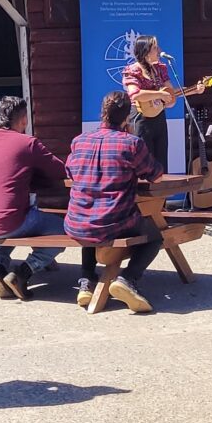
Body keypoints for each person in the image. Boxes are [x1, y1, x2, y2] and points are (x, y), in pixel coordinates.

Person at [65, 91, 164, 312]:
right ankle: (127, 279)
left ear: (102, 114)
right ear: (127, 117)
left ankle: (86, 282)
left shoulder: (79, 141)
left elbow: (70, 171)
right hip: (114, 224)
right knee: (155, 235)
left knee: (91, 215)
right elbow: (155, 174)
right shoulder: (131, 143)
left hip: (76, 223)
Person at [0, 96, 68, 301]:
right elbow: (60, 170)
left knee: (5, 217)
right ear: (24, 120)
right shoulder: (27, 143)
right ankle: (24, 272)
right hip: (11, 221)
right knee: (66, 231)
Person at [121, 35, 175, 170]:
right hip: (141, 119)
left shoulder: (160, 68)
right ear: (145, 52)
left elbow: (170, 93)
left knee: (161, 161)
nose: (159, 51)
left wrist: (193, 90)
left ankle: (162, 189)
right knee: (144, 160)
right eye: (155, 48)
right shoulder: (133, 70)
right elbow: (135, 94)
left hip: (159, 118)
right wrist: (159, 94)